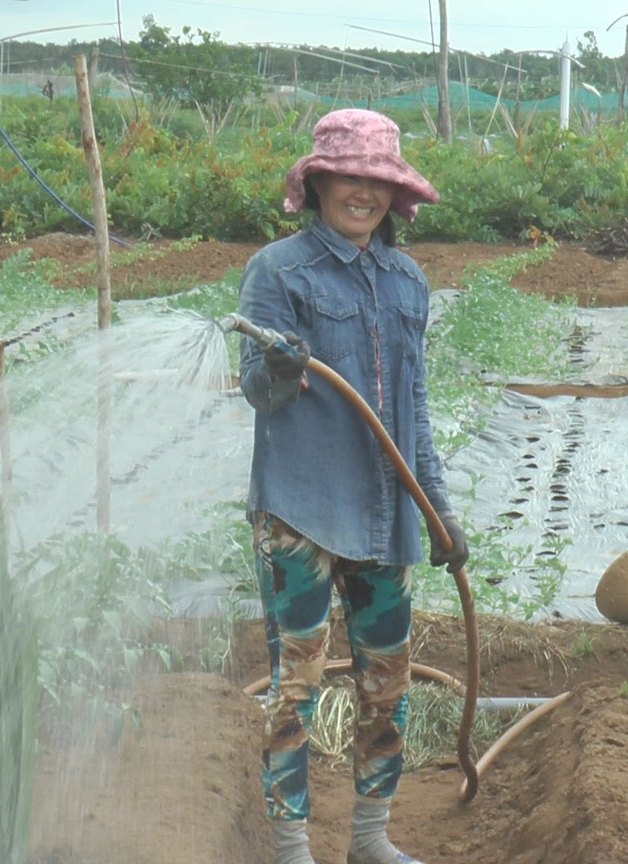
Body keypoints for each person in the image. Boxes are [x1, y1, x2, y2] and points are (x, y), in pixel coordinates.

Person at [237, 108, 470, 864]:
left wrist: (438, 509)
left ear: (393, 194)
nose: (362, 194)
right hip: (301, 515)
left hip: (385, 515)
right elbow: (257, 393)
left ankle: (370, 841)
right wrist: (279, 368)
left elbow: (415, 409)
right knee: (294, 688)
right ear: (320, 183)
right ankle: (293, 850)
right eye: (349, 179)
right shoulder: (278, 272)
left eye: (378, 180)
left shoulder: (406, 281)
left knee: (387, 687)